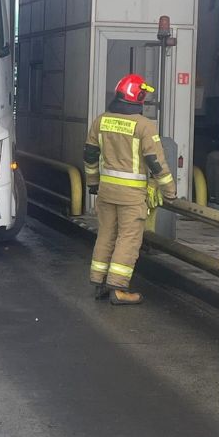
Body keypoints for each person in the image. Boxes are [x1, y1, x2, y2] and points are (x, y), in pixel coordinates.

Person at [83, 74, 176, 305]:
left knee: (105, 235)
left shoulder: (101, 121)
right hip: (132, 196)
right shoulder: (144, 126)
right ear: (139, 97)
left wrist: (92, 183)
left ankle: (99, 282)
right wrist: (170, 191)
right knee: (128, 239)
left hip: (105, 192)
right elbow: (156, 163)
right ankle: (118, 288)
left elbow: (90, 155)